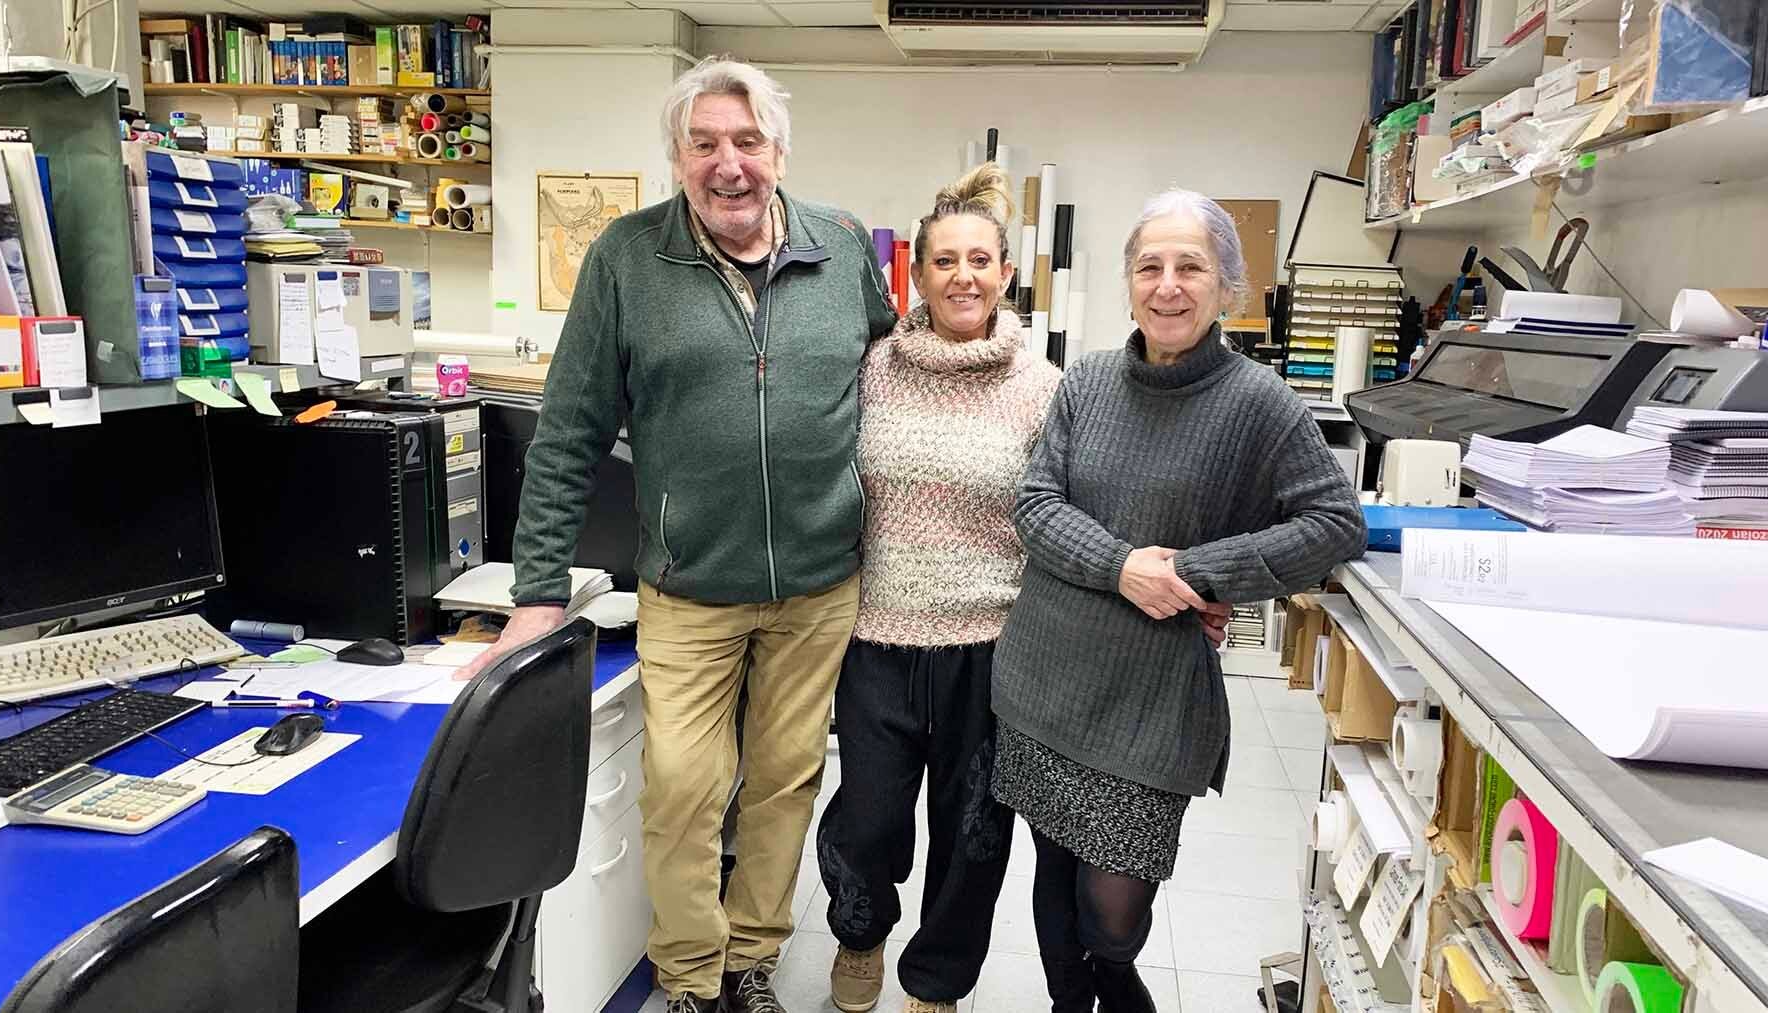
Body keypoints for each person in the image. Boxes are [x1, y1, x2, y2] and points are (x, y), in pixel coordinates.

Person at [455, 57, 896, 1013]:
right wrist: (536, 596)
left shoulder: (843, 246)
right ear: (677, 157)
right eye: (704, 145)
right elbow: (567, 433)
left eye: (746, 141)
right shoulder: (625, 259)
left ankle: (750, 962)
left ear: (779, 150)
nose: (727, 163)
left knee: (784, 784)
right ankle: (691, 973)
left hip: (819, 585)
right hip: (689, 587)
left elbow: (896, 373)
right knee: (684, 789)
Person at [989, 187, 1368, 1012]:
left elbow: (1336, 524)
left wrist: (1196, 573)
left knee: (1112, 918)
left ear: (1226, 285)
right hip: (1045, 673)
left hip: (1151, 699)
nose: (1168, 285)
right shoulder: (1086, 382)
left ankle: (1111, 985)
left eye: (1190, 266)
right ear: (1129, 281)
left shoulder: (1259, 402)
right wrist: (1125, 565)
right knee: (1054, 870)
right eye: (1150, 266)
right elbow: (1035, 505)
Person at [814, 164, 1064, 1013]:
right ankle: (861, 928)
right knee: (869, 818)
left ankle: (936, 980)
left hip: (992, 647)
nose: (964, 275)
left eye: (980, 260)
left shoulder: (1041, 387)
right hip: (875, 636)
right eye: (945, 260)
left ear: (1004, 274)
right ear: (916, 275)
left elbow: (1064, 514)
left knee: (974, 835)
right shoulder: (872, 369)